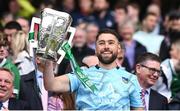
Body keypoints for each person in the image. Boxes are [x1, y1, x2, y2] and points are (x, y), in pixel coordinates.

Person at [43, 29, 143, 110]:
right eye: (101, 43)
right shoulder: (81, 74)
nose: (106, 46)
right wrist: (48, 59)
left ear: (118, 48)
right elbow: (50, 85)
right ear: (95, 49)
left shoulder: (131, 79)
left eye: (111, 43)